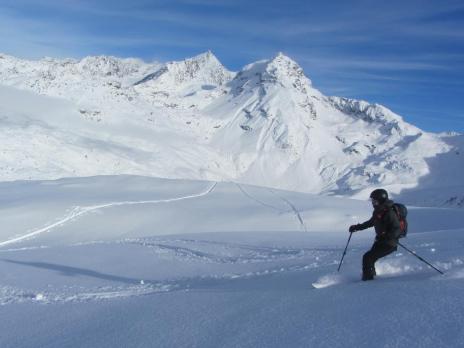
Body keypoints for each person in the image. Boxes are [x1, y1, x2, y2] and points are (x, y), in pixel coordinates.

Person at [349, 189, 401, 281]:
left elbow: (397, 229)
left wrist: (388, 235)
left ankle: (368, 281)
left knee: (368, 257)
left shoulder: (389, 212)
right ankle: (371, 277)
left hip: (389, 243)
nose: (373, 202)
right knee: (369, 259)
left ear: (381, 200)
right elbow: (370, 223)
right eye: (372, 200)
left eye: (375, 200)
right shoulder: (378, 211)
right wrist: (356, 227)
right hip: (380, 241)